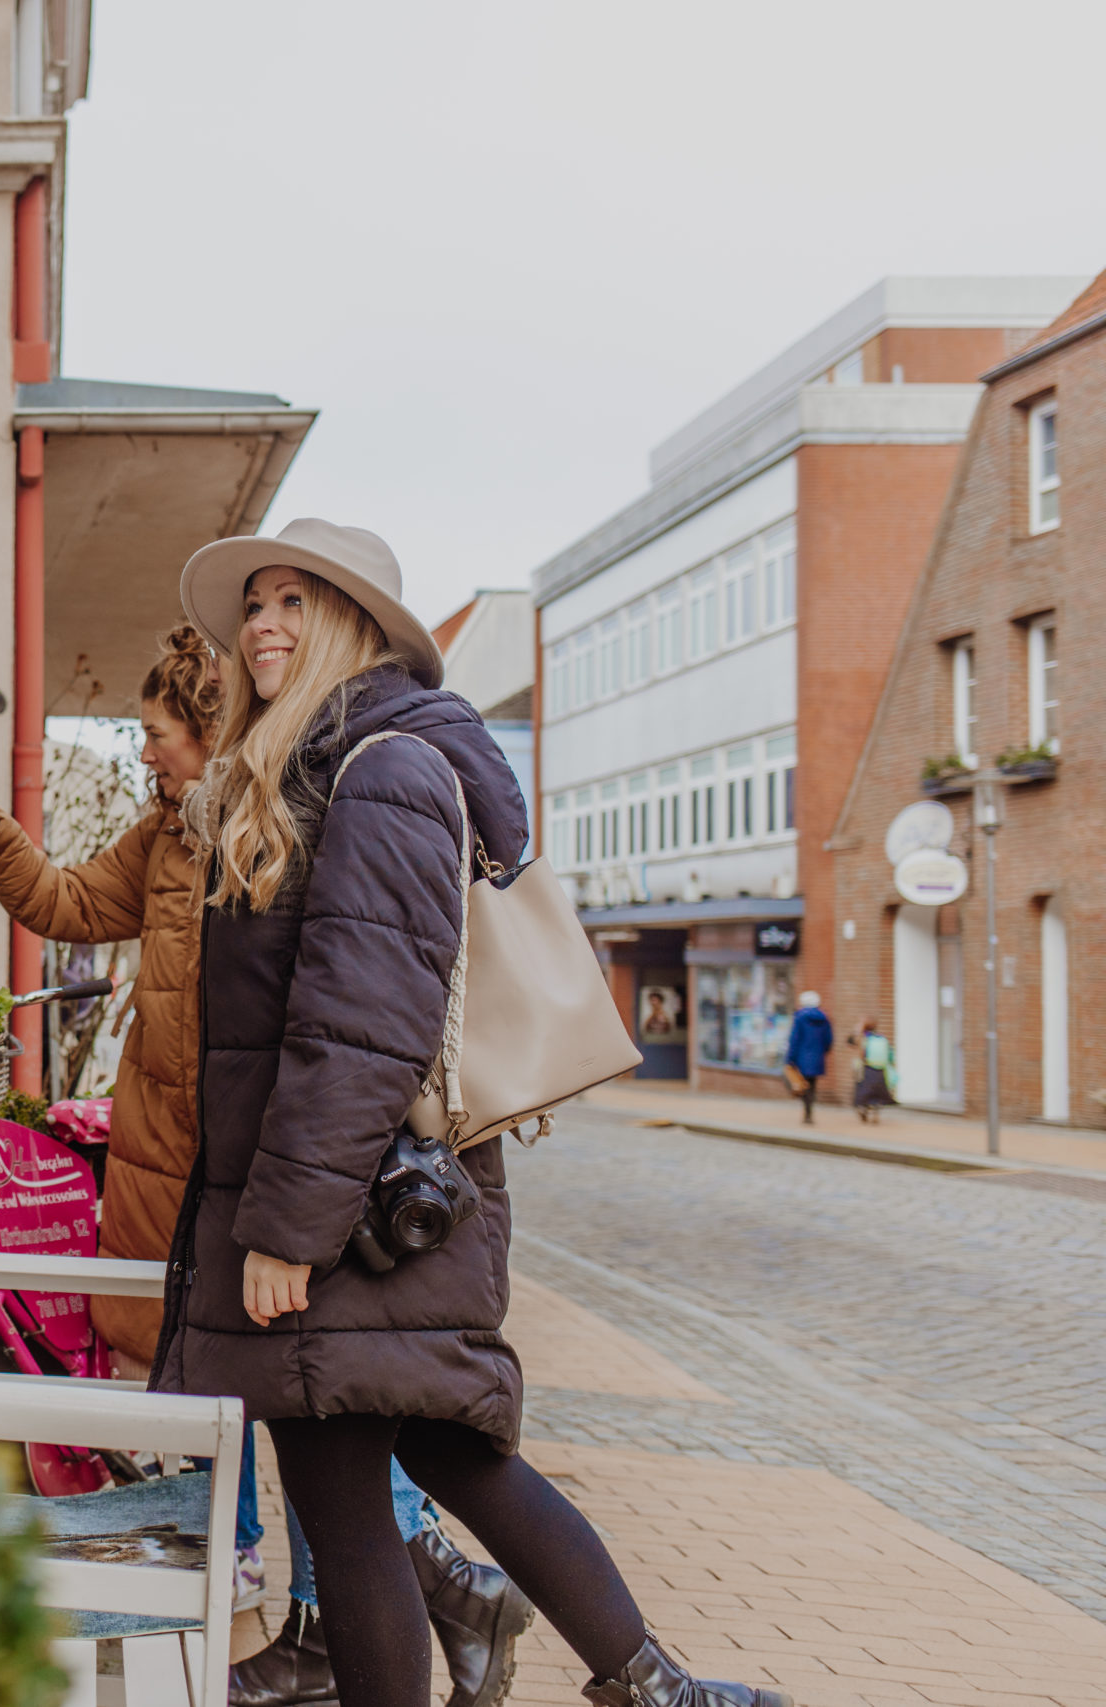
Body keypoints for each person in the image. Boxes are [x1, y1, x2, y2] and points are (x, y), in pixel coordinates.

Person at [156, 518, 790, 1707]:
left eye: (291, 601)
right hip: (346, 1199)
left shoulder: (380, 771)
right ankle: (652, 1686)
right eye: (253, 605)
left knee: (350, 1507)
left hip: (345, 1208)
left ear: (351, 623)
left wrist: (288, 1228)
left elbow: (362, 1023)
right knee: (444, 1453)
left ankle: (653, 1683)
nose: (260, 626)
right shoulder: (314, 769)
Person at [0, 628, 526, 1707]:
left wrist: (296, 1182)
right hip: (191, 1167)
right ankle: (372, 1611)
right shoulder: (166, 833)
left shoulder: (293, 811)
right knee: (290, 1408)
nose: (143, 753)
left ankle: (402, 1601)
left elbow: (343, 1009)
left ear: (202, 727)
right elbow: (72, 906)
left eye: (153, 734)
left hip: (270, 1171)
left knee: (327, 1406)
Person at [783, 993, 832, 1125]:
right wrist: (823, 1052)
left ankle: (807, 1112)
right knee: (812, 1085)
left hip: (802, 1056)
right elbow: (828, 1040)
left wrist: (790, 1058)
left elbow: (795, 1039)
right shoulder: (824, 1018)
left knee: (801, 1084)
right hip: (817, 1057)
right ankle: (809, 1111)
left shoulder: (800, 1017)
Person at [851, 1021, 894, 1123]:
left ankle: (863, 1111)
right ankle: (875, 1112)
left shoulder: (865, 1039)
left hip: (868, 1069)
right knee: (877, 1093)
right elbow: (890, 1055)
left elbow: (860, 1053)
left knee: (864, 1093)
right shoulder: (882, 1039)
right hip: (880, 1070)